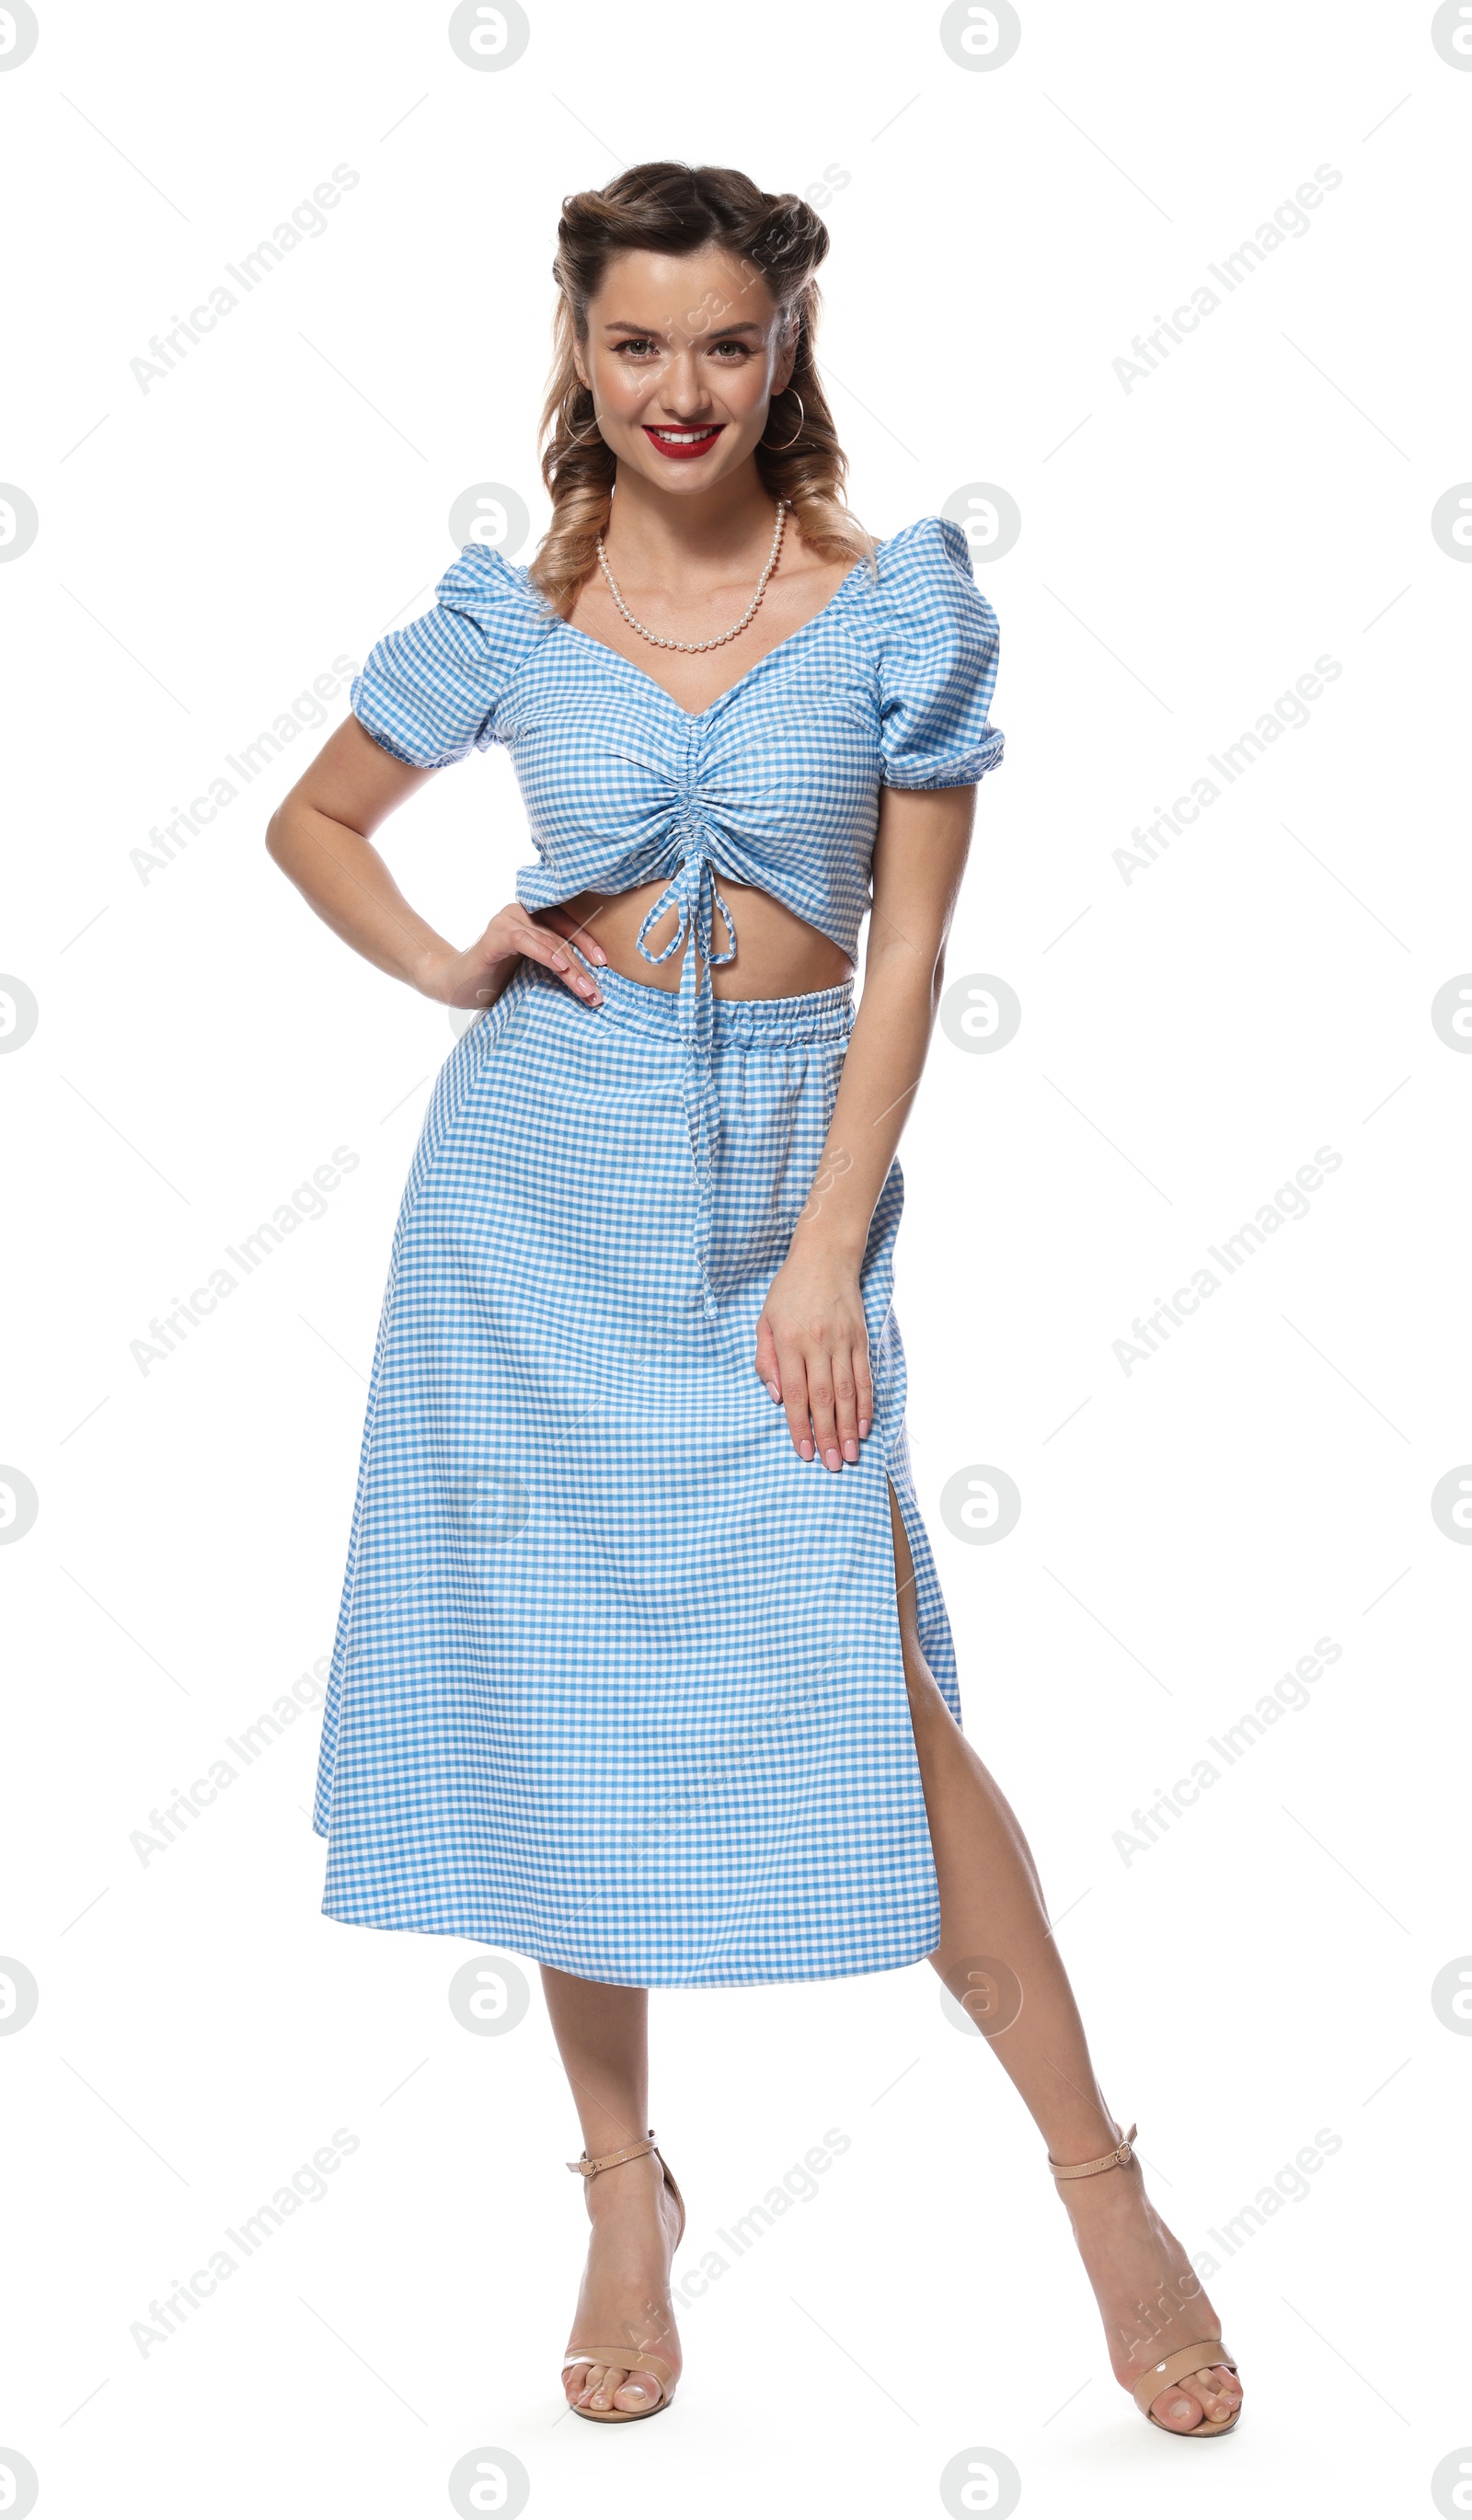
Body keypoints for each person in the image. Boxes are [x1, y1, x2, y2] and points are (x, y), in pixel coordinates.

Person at [266, 159, 1244, 2441]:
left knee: (874, 1684)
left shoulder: (891, 605)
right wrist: (454, 954)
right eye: (635, 343)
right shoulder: (510, 620)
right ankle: (622, 2187)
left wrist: (824, 1241)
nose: (678, 386)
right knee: (558, 1684)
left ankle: (1098, 2186)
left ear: (784, 339)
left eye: (721, 339)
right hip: (529, 1200)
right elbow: (314, 820)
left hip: (778, 1191)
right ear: (577, 357)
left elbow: (906, 950)